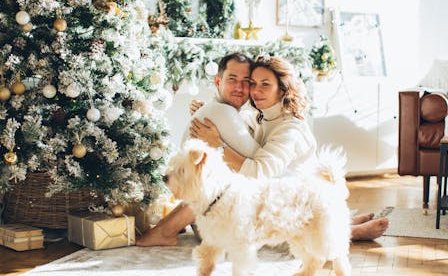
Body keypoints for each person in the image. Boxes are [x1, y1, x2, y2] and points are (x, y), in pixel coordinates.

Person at [137, 54, 388, 246]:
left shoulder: (290, 129)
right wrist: (209, 109)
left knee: (222, 188)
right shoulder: (257, 116)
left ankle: (344, 230)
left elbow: (258, 173)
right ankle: (342, 221)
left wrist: (219, 145)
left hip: (299, 197)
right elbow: (236, 127)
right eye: (252, 83)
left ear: (283, 88)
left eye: (264, 84)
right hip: (280, 196)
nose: (254, 91)